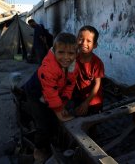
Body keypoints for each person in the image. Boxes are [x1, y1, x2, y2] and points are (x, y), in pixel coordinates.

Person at [20, 32, 79, 163]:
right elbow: (50, 92)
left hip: (52, 93)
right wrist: (59, 111)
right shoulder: (48, 68)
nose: (66, 58)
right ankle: (38, 150)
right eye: (61, 52)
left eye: (71, 54)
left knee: (54, 118)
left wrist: (63, 103)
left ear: (76, 54)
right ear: (53, 50)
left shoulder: (74, 66)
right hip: (36, 93)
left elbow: (70, 84)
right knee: (43, 124)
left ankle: (53, 141)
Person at [73, 25, 105, 116]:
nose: (83, 43)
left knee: (92, 124)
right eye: (81, 39)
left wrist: (86, 103)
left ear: (95, 45)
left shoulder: (97, 63)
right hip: (79, 97)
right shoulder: (73, 58)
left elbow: (97, 84)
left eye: (89, 41)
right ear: (76, 40)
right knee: (79, 120)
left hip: (93, 101)